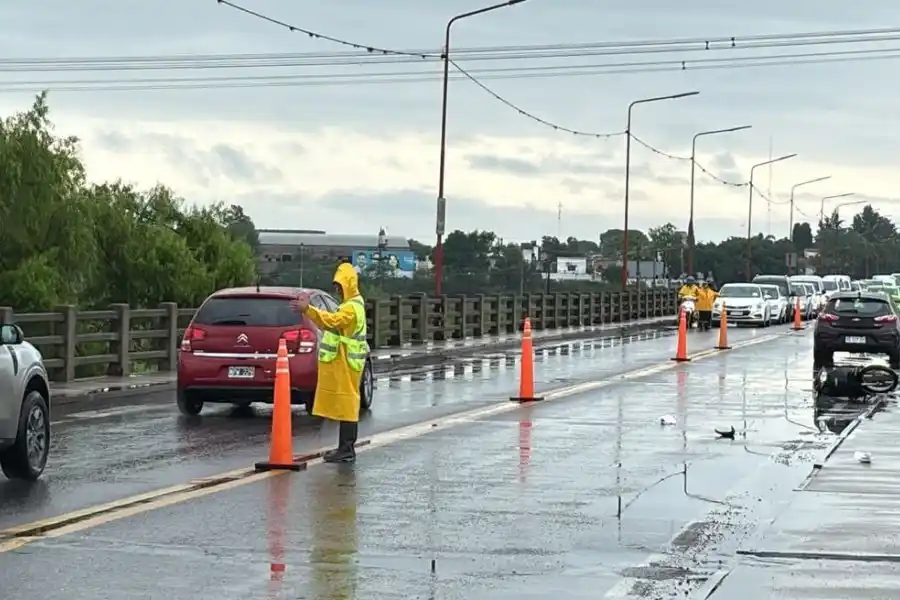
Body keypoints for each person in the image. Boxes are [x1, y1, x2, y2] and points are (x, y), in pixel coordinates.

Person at [292, 262, 369, 463]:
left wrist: (308, 309)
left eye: (339, 286)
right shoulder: (353, 304)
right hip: (346, 361)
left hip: (347, 361)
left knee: (348, 404)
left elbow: (332, 321)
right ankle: (345, 448)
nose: (337, 290)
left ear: (348, 285)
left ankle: (346, 449)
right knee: (346, 404)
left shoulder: (351, 308)